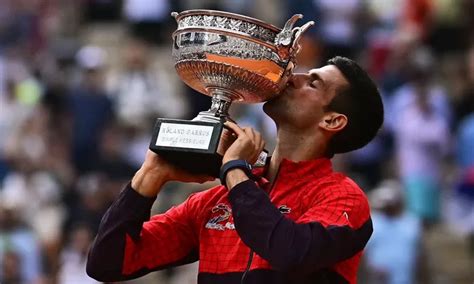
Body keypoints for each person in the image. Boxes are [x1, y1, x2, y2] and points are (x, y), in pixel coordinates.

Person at [86, 56, 384, 283]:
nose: (294, 77)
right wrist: (150, 175)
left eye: (313, 82)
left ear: (332, 121)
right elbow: (108, 263)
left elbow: (290, 252)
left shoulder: (343, 198)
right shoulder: (217, 201)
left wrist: (235, 172)